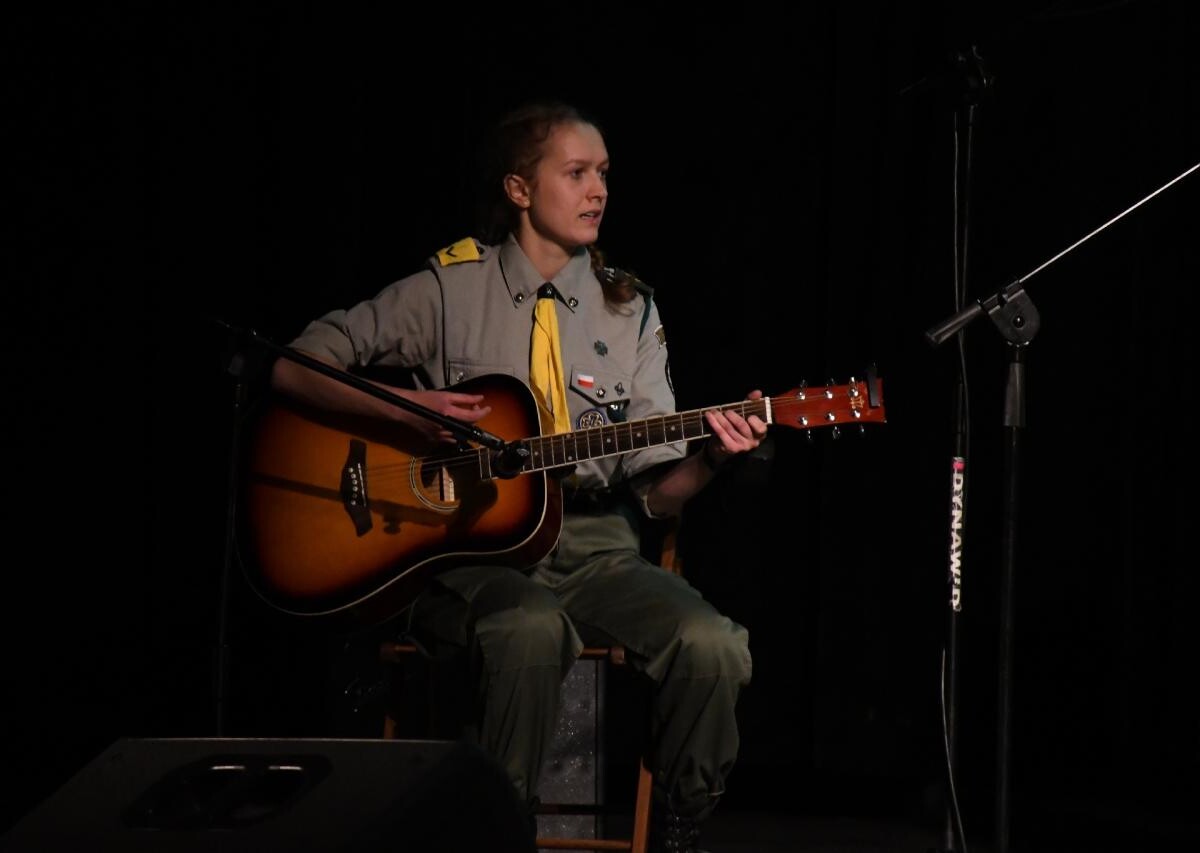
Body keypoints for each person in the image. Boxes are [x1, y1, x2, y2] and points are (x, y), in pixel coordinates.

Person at [269, 99, 764, 852]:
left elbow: (656, 492)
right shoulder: (447, 288)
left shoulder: (627, 307)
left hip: (596, 543)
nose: (598, 189)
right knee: (530, 628)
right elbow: (293, 365)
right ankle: (496, 829)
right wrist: (410, 411)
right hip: (472, 550)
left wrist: (713, 455)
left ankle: (680, 821)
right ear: (520, 189)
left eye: (603, 173)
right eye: (576, 173)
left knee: (715, 643)